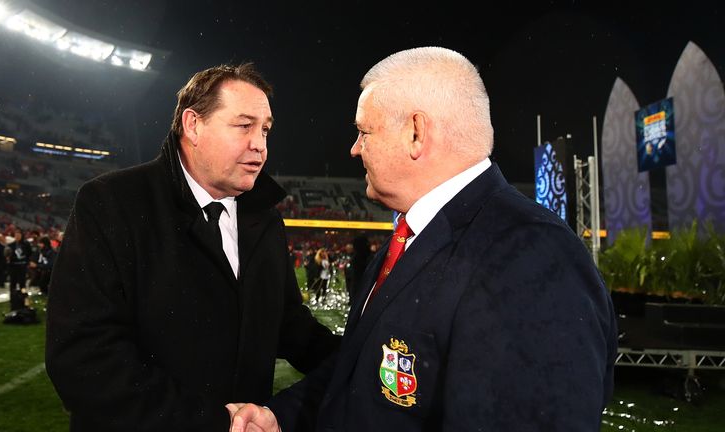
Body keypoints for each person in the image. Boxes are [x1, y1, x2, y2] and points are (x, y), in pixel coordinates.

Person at [229, 46, 618, 431]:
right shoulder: (409, 238)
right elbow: (362, 372)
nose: (355, 148)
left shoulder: (531, 256)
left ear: (416, 132)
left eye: (364, 131)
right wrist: (282, 416)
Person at [45, 62, 341, 431]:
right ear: (193, 125)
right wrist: (212, 423)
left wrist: (359, 360)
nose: (259, 145)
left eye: (265, 130)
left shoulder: (264, 220)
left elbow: (290, 327)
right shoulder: (113, 202)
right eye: (243, 125)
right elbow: (83, 358)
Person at [7, 229, 31, 310]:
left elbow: (29, 254)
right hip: (13, 268)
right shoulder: (11, 245)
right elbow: (7, 257)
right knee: (12, 285)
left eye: (19, 235)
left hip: (22, 268)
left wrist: (27, 264)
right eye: (16, 235)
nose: (17, 236)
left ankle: (25, 301)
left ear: (21, 235)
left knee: (23, 286)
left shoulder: (26, 244)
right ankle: (13, 301)